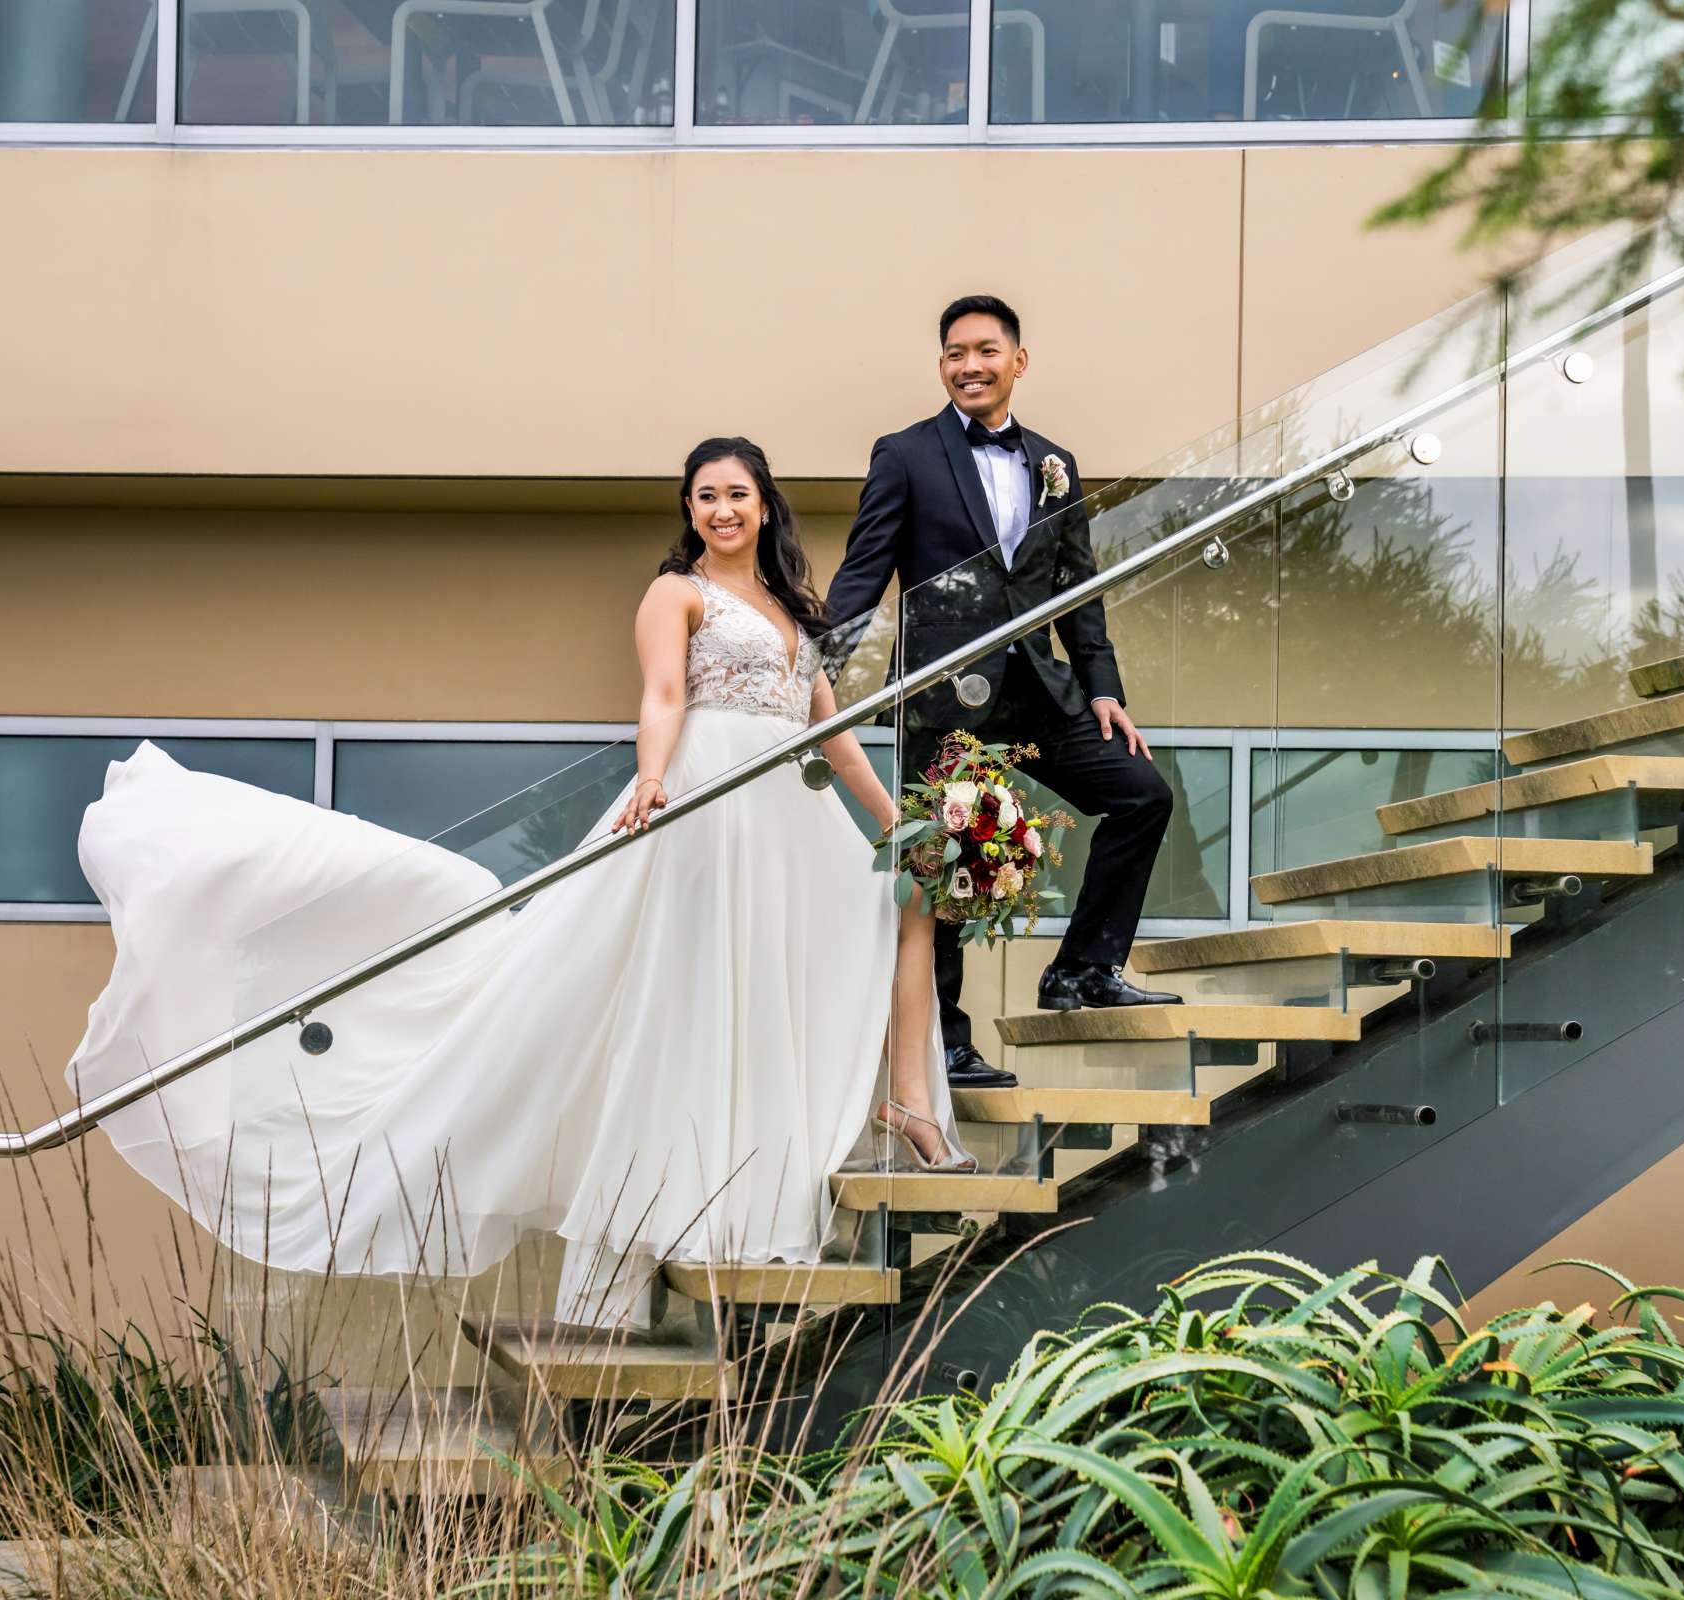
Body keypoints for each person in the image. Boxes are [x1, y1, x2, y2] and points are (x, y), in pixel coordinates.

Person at [64, 437, 965, 1331]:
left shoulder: (791, 609)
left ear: (765, 503)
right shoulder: (674, 593)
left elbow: (830, 728)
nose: (721, 509)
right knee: (685, 1002)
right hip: (706, 798)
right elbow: (661, 695)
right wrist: (654, 776)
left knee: (884, 910)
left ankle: (888, 1112)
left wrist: (899, 824)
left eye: (736, 493)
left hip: (786, 819)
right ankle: (683, 1214)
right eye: (703, 497)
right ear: (688, 511)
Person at [824, 294, 1181, 1093]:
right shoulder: (905, 454)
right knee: (950, 861)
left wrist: (1103, 687)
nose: (969, 366)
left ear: (1019, 360)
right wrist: (818, 671)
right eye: (954, 353)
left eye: (985, 351)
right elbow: (864, 569)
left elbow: (1076, 588)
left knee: (1141, 796)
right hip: (947, 695)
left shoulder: (1056, 462)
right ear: (941, 365)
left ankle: (1083, 971)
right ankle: (945, 1046)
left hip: (1041, 688)